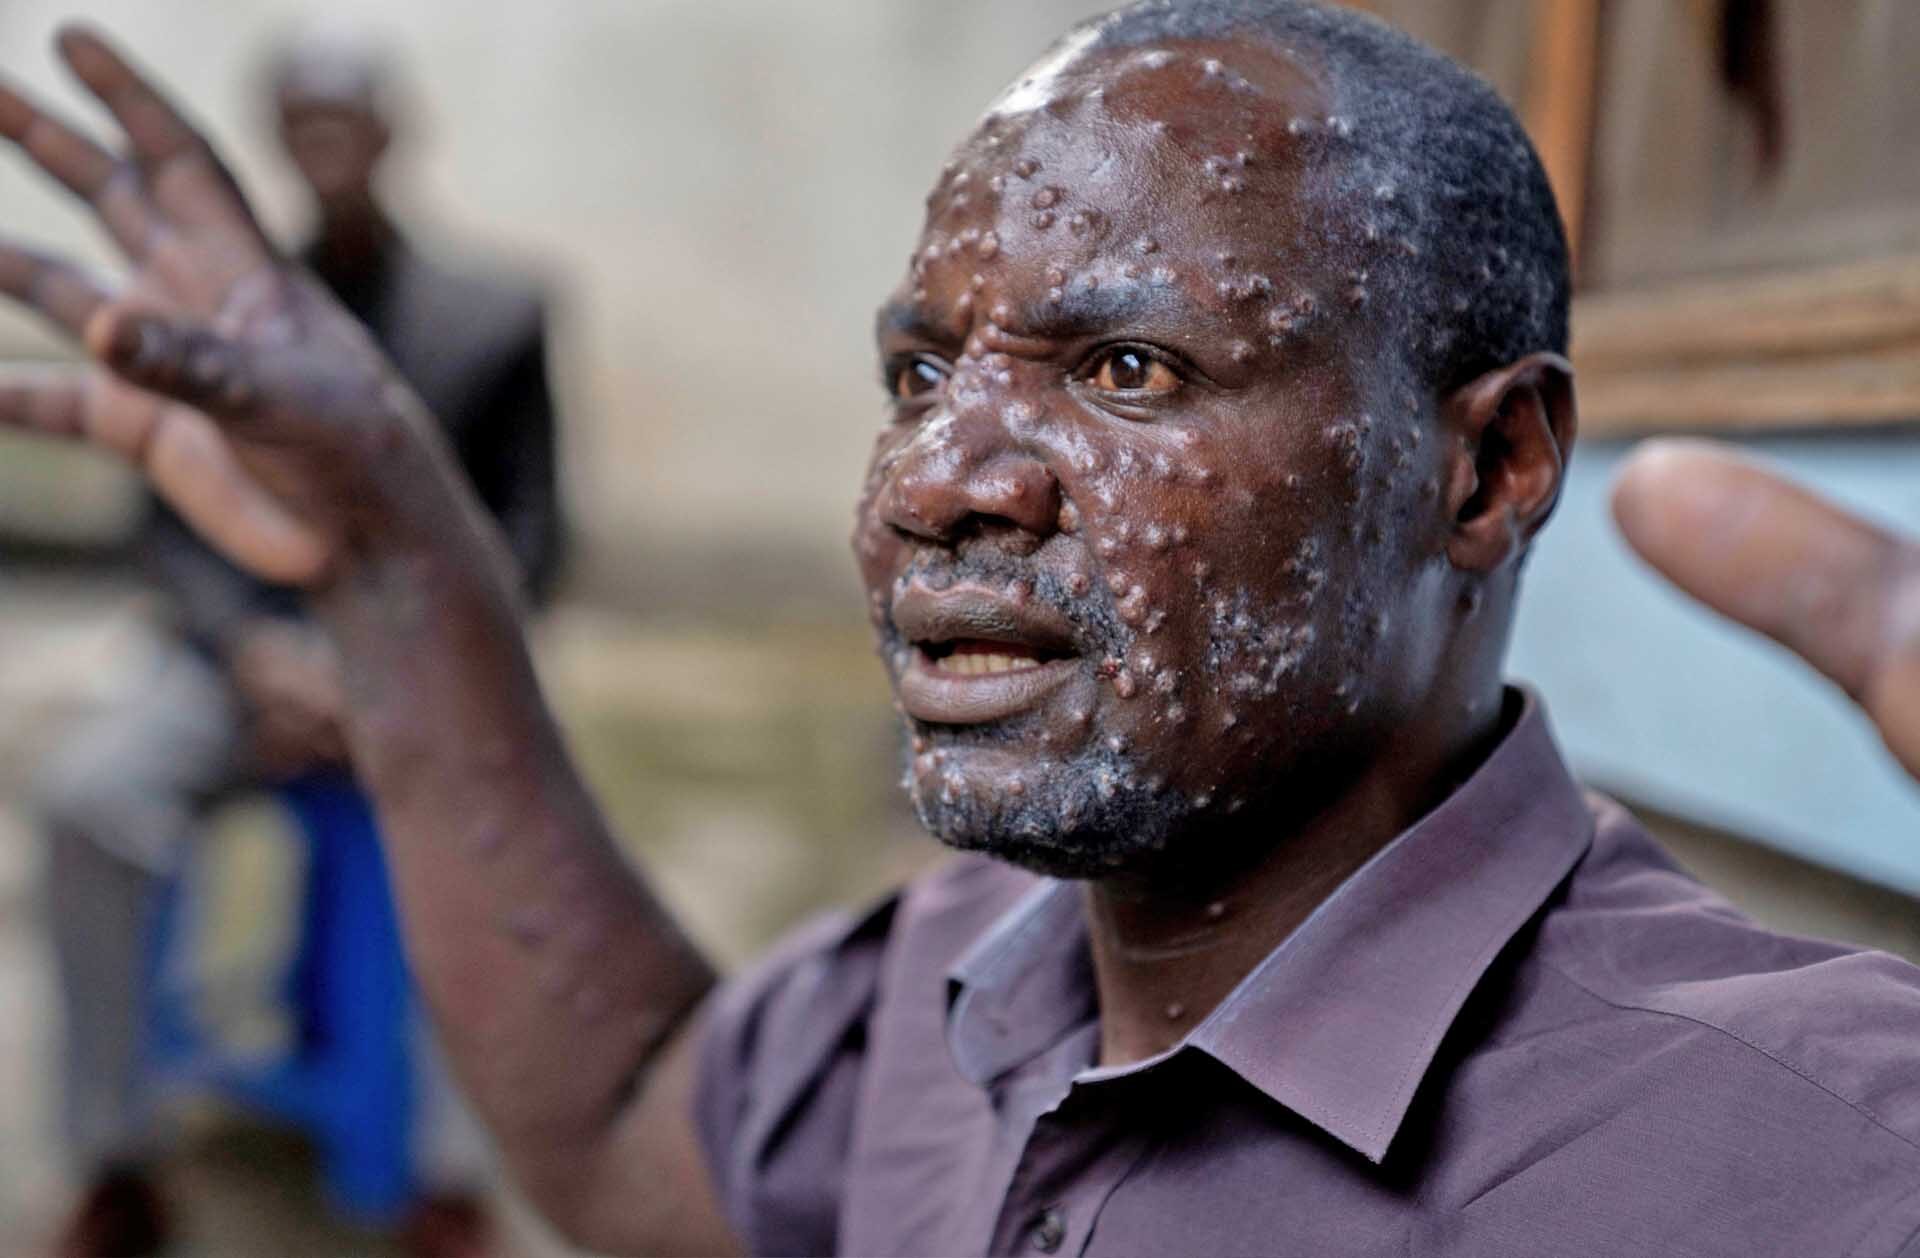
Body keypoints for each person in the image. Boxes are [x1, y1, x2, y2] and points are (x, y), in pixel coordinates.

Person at [1, 2, 1917, 1254]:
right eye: (920, 371)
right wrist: (389, 556)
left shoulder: (1791, 1148)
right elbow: (626, 1114)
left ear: (1485, 467)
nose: (938, 479)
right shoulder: (973, 968)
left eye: (1132, 367)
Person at [21, 29, 561, 1258]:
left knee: (490, 828)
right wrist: (255, 655)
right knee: (89, 796)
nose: (324, 142)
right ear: (275, 136)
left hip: (422, 673)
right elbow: (168, 524)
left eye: (345, 116)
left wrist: (406, 661)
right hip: (243, 666)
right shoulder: (214, 317)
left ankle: (445, 1169)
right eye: (299, 118)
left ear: (389, 130)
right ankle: (114, 1153)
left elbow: (531, 536)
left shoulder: (492, 318)